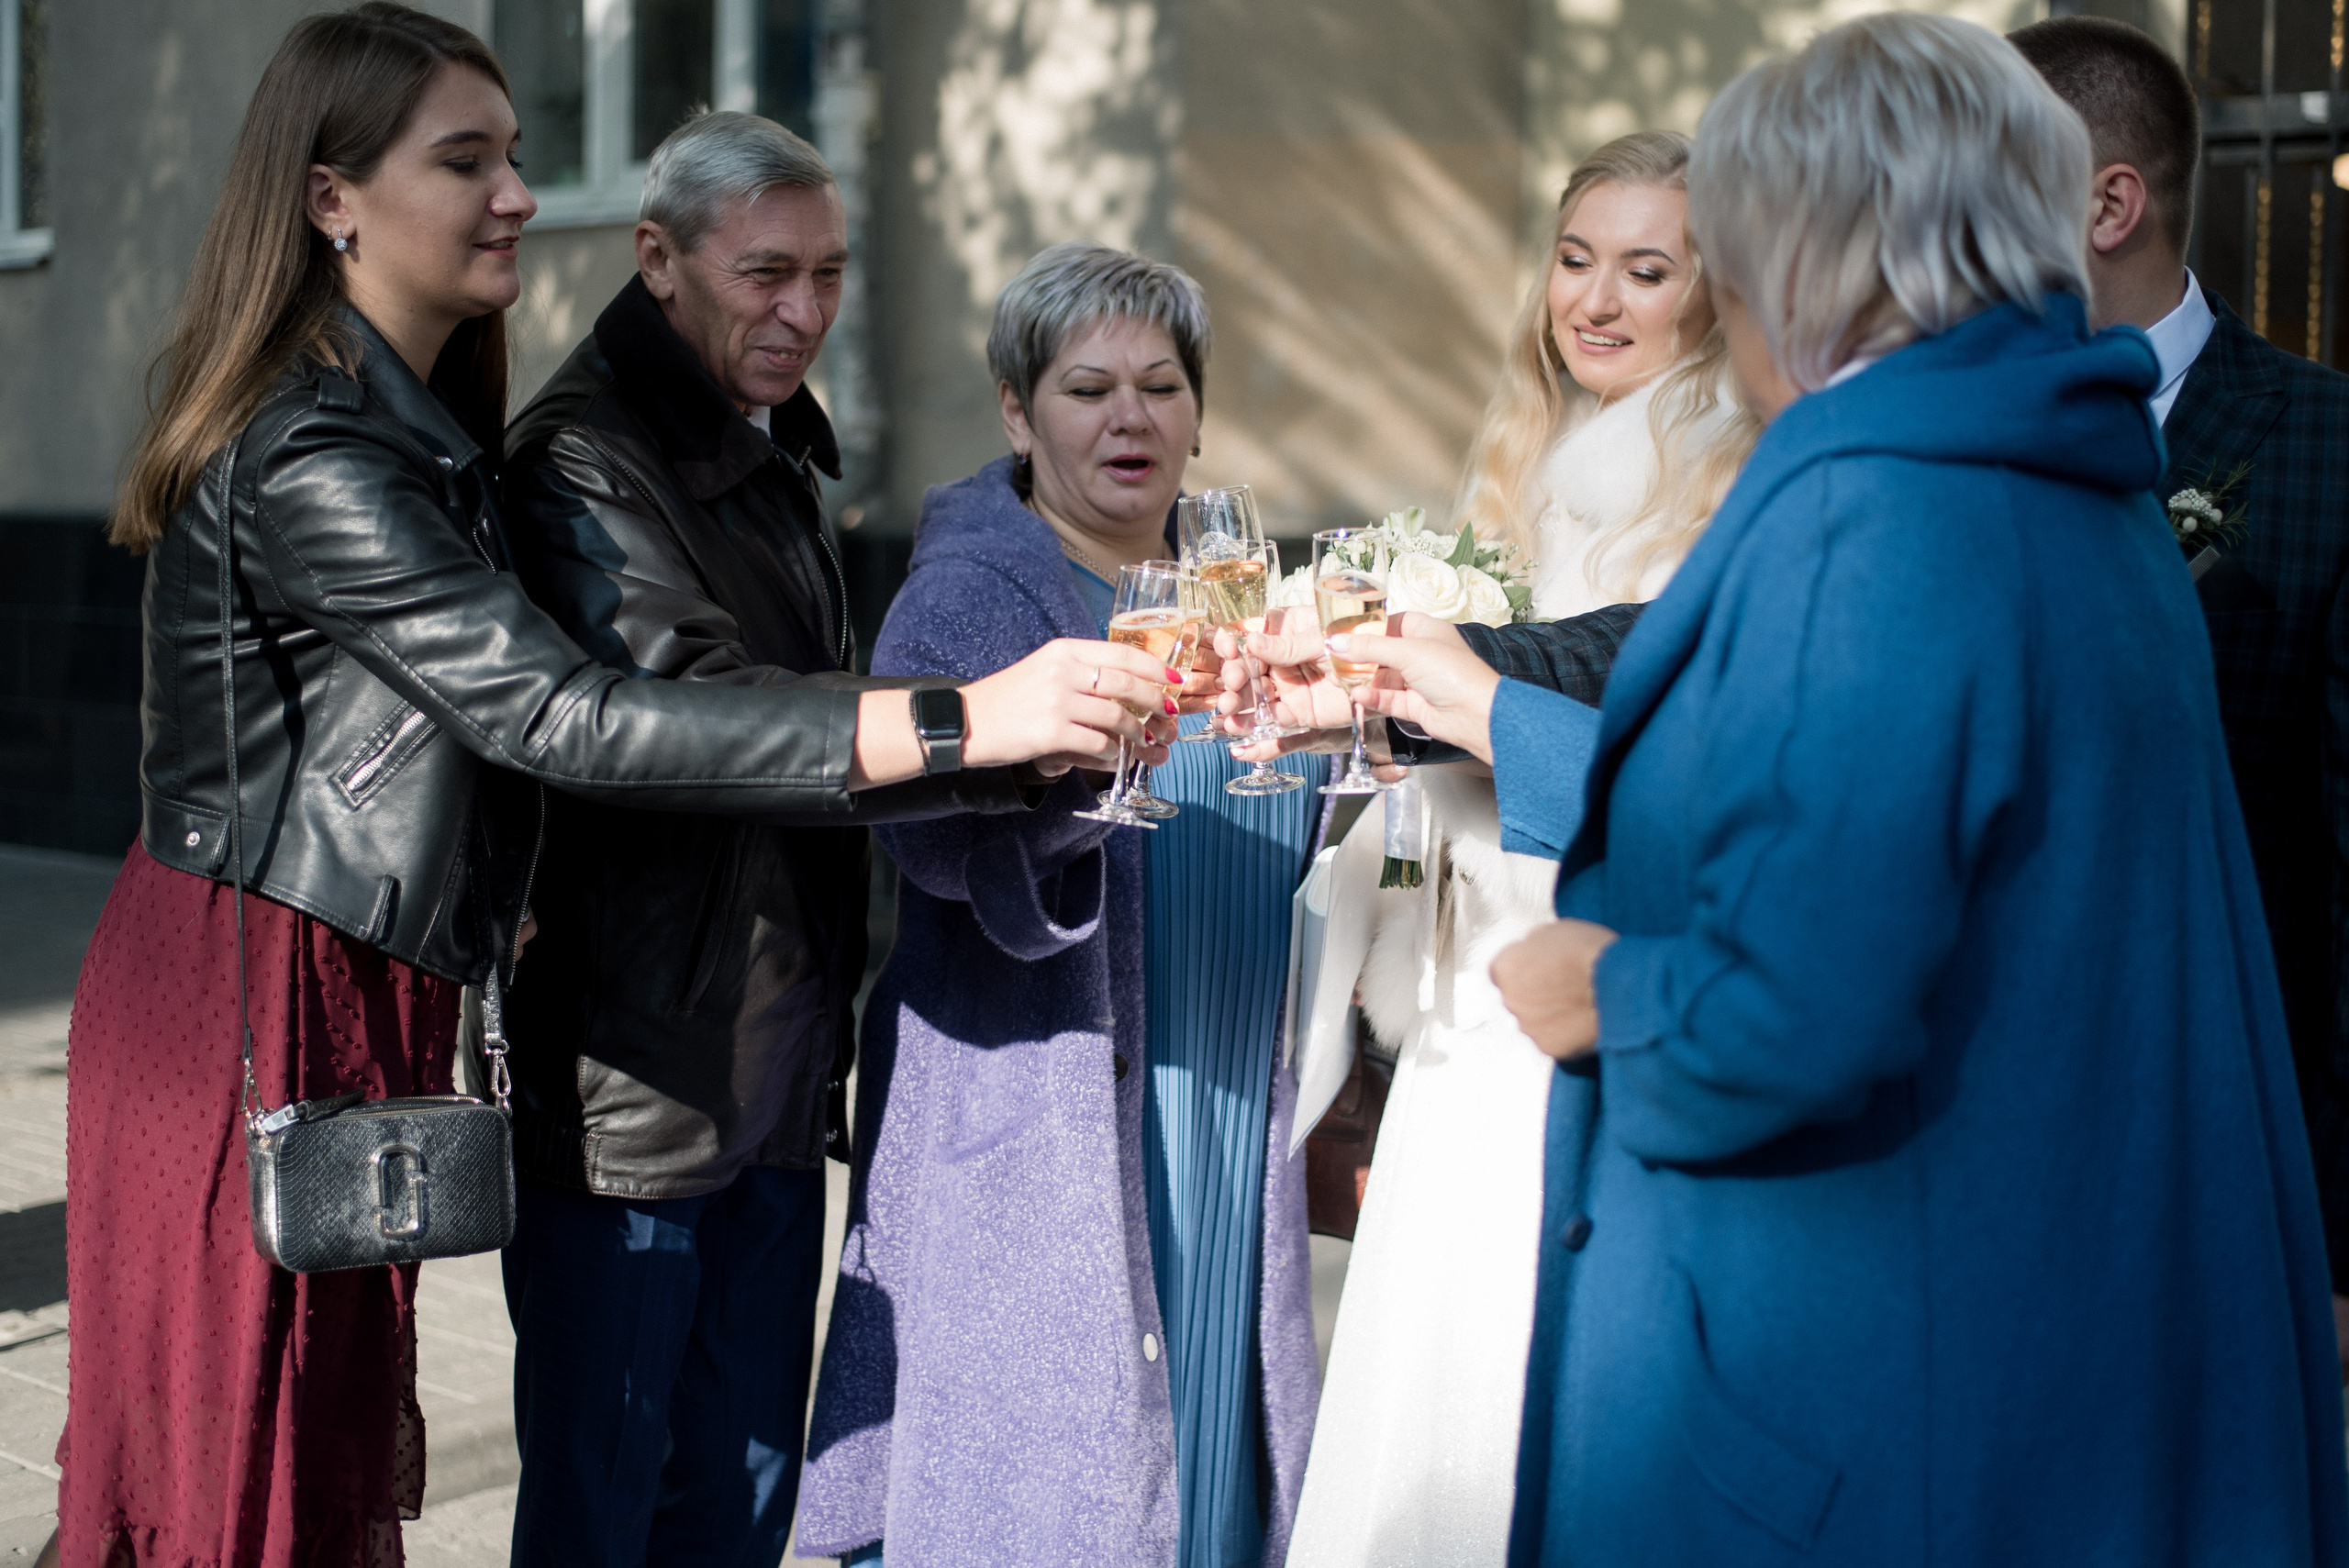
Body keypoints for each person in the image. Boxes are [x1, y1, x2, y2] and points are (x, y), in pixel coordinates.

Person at [49, 9, 1165, 1566]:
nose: (515, 193)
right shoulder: (319, 449)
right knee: (236, 1474)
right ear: (331, 200)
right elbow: (565, 717)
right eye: (469, 160)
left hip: (346, 979)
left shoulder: (423, 426)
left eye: (515, 156)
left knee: (317, 1471)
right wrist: (962, 718)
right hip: (251, 986)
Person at [1336, 14, 2349, 1562]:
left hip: (1853, 1414)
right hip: (2039, 1344)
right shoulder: (2080, 483)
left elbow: (1798, 1007)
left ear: (1816, 250)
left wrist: (1597, 984)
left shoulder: (1874, 515)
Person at [492, 113, 1056, 1566]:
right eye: (765, 275)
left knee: (744, 1509)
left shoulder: (772, 450)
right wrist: (974, 721)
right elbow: (691, 714)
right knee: (606, 1512)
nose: (803, 312)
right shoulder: (577, 460)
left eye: (829, 273)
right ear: (656, 259)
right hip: (634, 1090)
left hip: (774, 1066)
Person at [795, 243, 1325, 1568]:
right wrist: (1054, 777)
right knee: (1056, 1490)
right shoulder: (975, 593)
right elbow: (921, 841)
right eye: (1087, 388)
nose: (1130, 416)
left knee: (1210, 1460)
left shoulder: (1245, 595)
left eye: (1160, 384)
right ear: (1019, 412)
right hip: (1055, 1115)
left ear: (1200, 412)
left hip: (1224, 1086)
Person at [1286, 129, 1755, 1568]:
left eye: (1647, 270)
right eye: (1573, 260)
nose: (1596, 302)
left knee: (1522, 1357)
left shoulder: (1733, 479)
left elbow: (1638, 714)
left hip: (1581, 963)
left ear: (1720, 292)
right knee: (1427, 1347)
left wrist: (1448, 686)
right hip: (1462, 971)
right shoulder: (1532, 461)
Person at [2010, 15, 2349, 1368]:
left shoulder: (2326, 443)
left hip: (2228, 1144)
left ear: (2109, 202)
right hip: (1988, 1137)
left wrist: (2336, 1229)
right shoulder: (1958, 442)